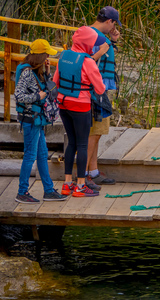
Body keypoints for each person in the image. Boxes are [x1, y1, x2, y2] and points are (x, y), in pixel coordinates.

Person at [53, 26, 106, 197]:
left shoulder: (63, 56)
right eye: (93, 43)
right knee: (82, 144)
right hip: (80, 105)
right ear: (87, 43)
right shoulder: (88, 61)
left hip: (63, 104)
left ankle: (67, 183)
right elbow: (100, 89)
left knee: (72, 143)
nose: (94, 46)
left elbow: (55, 81)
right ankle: (81, 185)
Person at [14, 39, 67, 203]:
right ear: (40, 56)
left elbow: (43, 85)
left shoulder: (37, 71)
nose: (47, 58)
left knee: (42, 155)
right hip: (30, 120)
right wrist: (38, 97)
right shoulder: (27, 73)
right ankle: (22, 192)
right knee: (30, 155)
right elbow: (18, 95)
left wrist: (48, 72)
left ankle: (48, 190)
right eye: (46, 55)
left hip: (38, 120)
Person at [85, 6, 122, 190]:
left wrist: (112, 41)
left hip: (100, 89)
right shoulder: (93, 36)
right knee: (94, 132)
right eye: (114, 24)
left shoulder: (99, 36)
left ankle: (93, 171)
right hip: (93, 89)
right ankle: (84, 176)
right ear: (109, 21)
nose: (114, 28)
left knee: (97, 131)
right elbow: (88, 59)